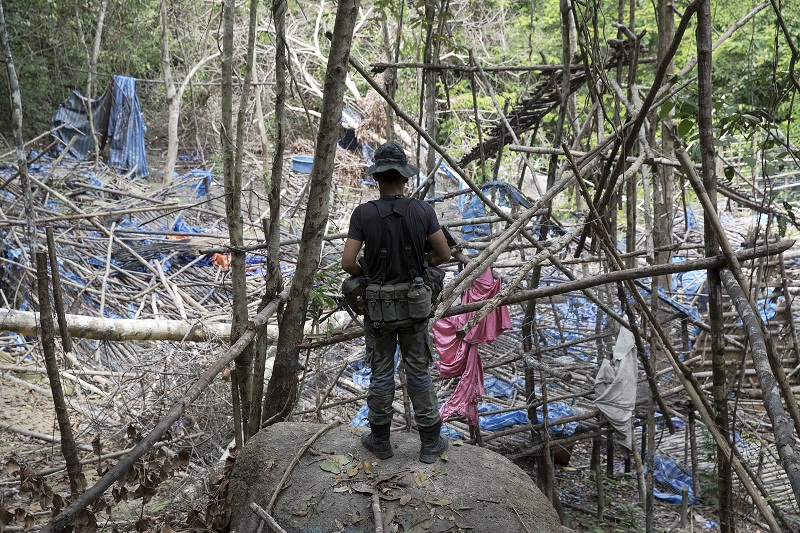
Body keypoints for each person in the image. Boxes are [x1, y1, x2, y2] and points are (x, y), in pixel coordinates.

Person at [342, 141, 451, 464]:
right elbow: (444, 255)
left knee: (380, 373)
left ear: (377, 179)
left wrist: (371, 274)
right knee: (418, 373)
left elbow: (348, 262)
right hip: (415, 307)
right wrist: (419, 266)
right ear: (405, 179)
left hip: (377, 310)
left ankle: (381, 441)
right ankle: (430, 443)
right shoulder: (423, 211)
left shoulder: (363, 214)